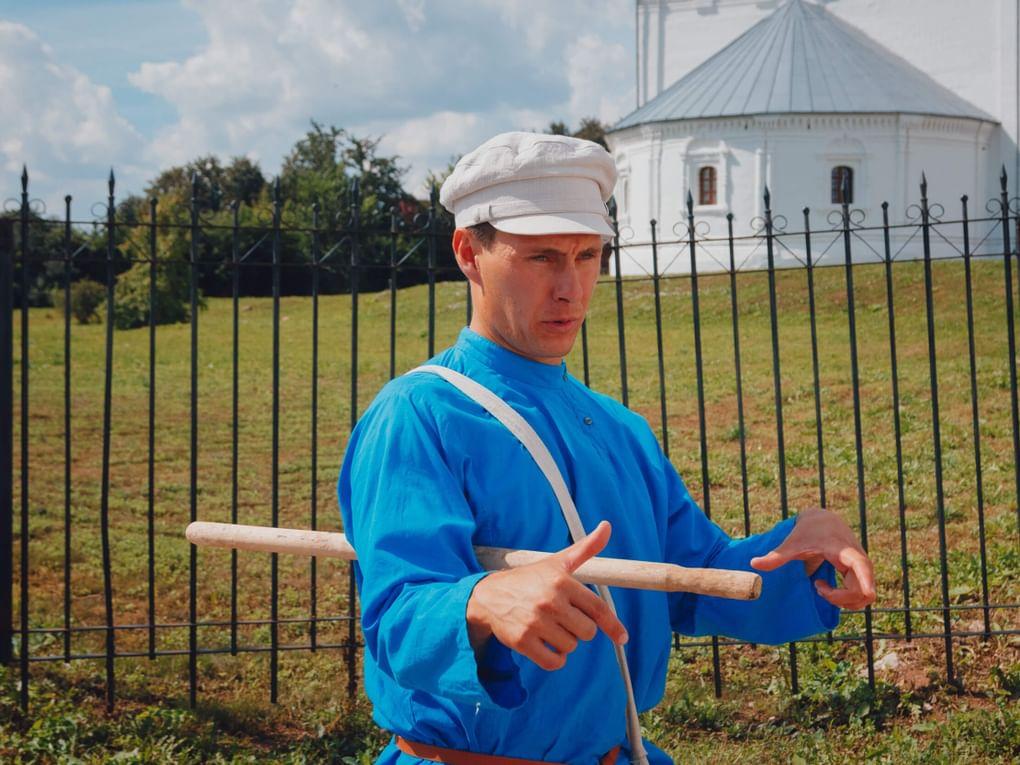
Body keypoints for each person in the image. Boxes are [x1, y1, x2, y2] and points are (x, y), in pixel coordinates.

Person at [337, 132, 876, 765]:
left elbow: (691, 576)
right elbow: (397, 617)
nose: (571, 288)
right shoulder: (417, 417)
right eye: (541, 258)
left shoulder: (619, 429)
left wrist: (797, 551)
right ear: (468, 253)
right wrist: (480, 603)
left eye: (588, 255)